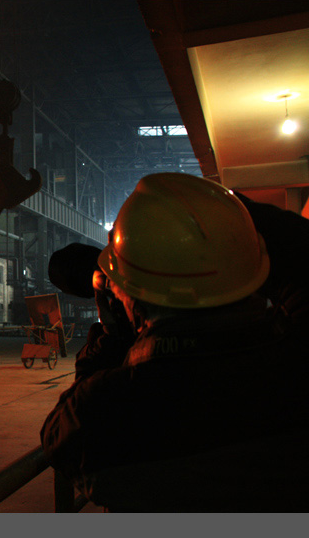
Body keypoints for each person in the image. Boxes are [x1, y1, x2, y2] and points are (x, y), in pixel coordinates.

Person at [41, 172, 309, 512]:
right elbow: (300, 251)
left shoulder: (102, 412)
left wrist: (113, 335)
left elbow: (61, 437)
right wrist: (217, 214)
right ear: (249, 270)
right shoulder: (298, 362)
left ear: (129, 300)